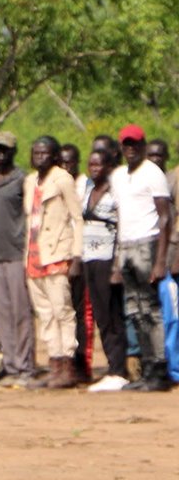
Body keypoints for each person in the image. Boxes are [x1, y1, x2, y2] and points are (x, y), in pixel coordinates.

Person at [110, 124, 172, 391]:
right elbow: (118, 218)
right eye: (126, 144)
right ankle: (146, 369)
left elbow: (165, 215)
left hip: (147, 244)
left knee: (151, 310)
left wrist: (160, 261)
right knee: (134, 310)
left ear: (144, 145)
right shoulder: (118, 176)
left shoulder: (153, 173)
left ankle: (158, 370)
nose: (131, 149)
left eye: (135, 144)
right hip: (126, 245)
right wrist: (116, 260)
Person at [23, 136, 82, 389]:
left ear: (55, 156)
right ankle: (54, 364)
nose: (39, 157)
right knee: (45, 314)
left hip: (57, 253)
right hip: (34, 256)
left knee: (62, 311)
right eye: (36, 152)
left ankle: (68, 364)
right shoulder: (29, 181)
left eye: (45, 153)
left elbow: (77, 219)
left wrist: (76, 255)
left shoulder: (63, 180)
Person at [0, 133, 35, 386]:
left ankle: (25, 365)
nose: (1, 155)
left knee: (21, 312)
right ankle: (11, 366)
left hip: (17, 254)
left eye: (5, 150)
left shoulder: (22, 180)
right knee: (1, 312)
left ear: (14, 152)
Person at [81, 144, 132, 391]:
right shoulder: (88, 190)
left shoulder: (115, 193)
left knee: (112, 314)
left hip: (107, 258)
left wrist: (117, 265)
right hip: (89, 258)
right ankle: (112, 367)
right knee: (100, 315)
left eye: (98, 164)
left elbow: (122, 228)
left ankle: (118, 369)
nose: (94, 169)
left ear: (109, 167)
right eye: (91, 164)